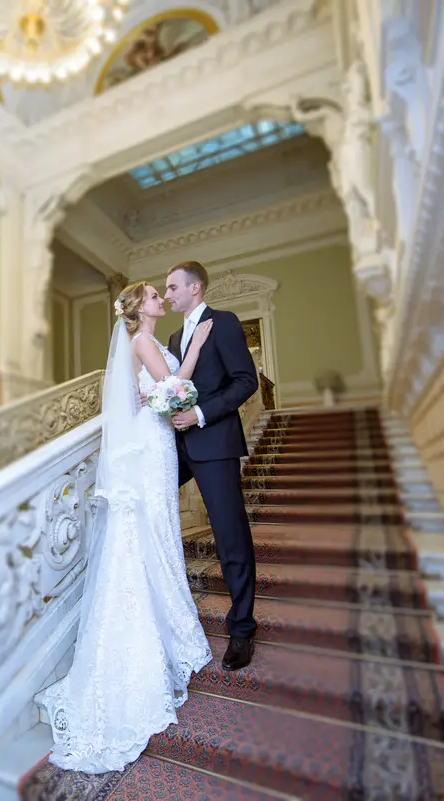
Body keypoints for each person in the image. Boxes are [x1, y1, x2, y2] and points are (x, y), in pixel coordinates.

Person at [39, 281, 214, 774]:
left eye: (163, 293)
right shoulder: (142, 341)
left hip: (153, 442)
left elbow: (156, 392)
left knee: (157, 534)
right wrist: (196, 347)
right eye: (156, 295)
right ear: (140, 308)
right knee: (153, 533)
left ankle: (170, 626)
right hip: (151, 444)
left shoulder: (145, 340)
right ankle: (161, 638)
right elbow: (174, 383)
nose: (162, 298)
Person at [163, 260, 259, 672]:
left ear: (195, 288)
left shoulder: (224, 322)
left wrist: (199, 414)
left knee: (230, 535)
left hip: (214, 443)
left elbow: (245, 381)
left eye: (172, 288)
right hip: (175, 446)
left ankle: (242, 627)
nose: (167, 295)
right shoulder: (171, 335)